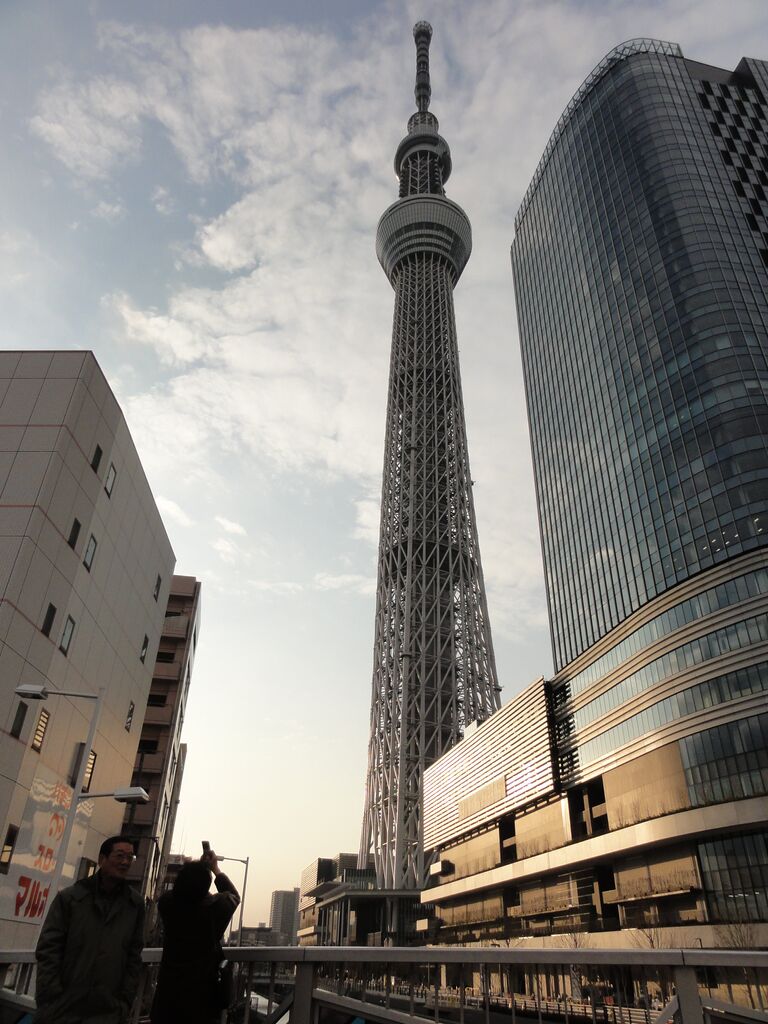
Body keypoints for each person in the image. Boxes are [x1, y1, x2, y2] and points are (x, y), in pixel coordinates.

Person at [35, 835, 144, 1024]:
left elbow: (134, 956)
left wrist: (123, 1003)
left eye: (130, 857)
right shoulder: (71, 898)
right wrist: (51, 996)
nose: (125, 862)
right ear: (102, 859)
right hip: (63, 1009)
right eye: (119, 855)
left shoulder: (134, 905)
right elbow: (48, 948)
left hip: (108, 1011)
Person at [150, 849, 240, 1024]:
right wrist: (214, 869)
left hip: (167, 996)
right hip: (203, 998)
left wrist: (197, 869)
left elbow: (175, 894)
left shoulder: (168, 905)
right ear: (206, 888)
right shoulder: (214, 911)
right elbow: (233, 896)